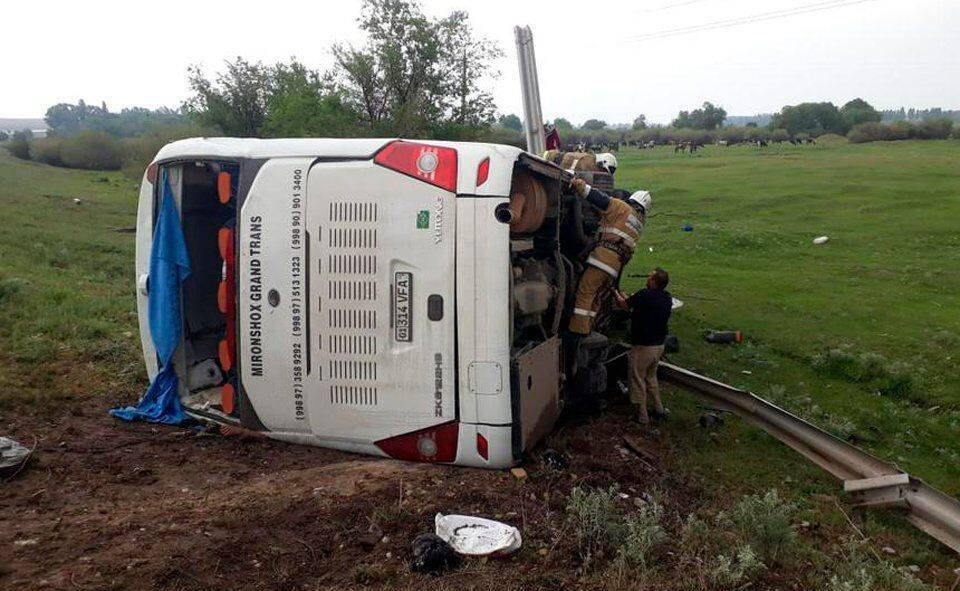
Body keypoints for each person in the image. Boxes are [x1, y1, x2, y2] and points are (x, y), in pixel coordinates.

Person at [564, 178, 651, 375]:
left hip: (602, 260)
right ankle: (587, 328)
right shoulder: (638, 223)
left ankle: (576, 332)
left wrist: (577, 185)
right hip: (614, 267)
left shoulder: (621, 208)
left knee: (585, 292)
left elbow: (596, 197)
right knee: (595, 298)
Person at [616, 268, 672, 426]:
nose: (648, 278)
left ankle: (642, 415)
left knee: (637, 379)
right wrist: (629, 298)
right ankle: (659, 409)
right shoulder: (666, 297)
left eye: (650, 277)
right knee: (651, 377)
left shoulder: (644, 295)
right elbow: (636, 303)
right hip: (659, 345)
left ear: (654, 281)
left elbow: (623, 305)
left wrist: (615, 292)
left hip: (643, 346)